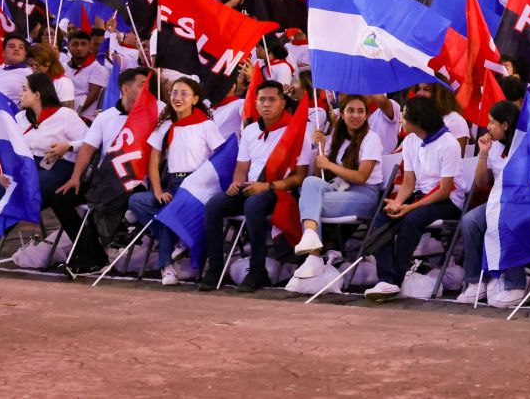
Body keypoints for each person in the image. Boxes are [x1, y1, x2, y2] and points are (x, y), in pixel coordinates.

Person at [200, 81, 309, 292]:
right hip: (250, 187)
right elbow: (242, 167)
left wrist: (267, 186)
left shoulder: (296, 132)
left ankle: (257, 271)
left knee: (253, 205)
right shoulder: (250, 130)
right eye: (262, 100)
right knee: (213, 205)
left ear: (282, 103)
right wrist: (236, 182)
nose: (266, 104)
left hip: (278, 191)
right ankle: (215, 269)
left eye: (272, 99)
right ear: (256, 104)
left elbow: (299, 177)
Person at [363, 96, 468, 302]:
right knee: (383, 217)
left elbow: (445, 190)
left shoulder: (449, 144)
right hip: (420, 195)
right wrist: (398, 203)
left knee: (411, 221)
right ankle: (385, 279)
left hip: (448, 201)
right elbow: (408, 182)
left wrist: (410, 208)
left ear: (418, 121)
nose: (401, 120)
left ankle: (396, 279)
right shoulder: (411, 141)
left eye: (404, 116)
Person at [128, 76, 227, 285]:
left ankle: (166, 266)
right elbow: (154, 161)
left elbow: (222, 155)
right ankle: (183, 237)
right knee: (137, 201)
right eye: (174, 92)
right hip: (174, 184)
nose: (177, 97)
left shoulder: (205, 125)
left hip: (197, 187)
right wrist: (157, 191)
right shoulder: (165, 126)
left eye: (184, 93)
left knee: (169, 212)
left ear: (195, 99)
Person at [454, 100, 530, 308]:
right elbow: (482, 182)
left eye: (492, 123)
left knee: (507, 219)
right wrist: (483, 153)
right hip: (500, 202)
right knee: (470, 220)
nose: (488, 127)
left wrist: (508, 204)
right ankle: (475, 281)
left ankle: (515, 284)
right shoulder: (494, 146)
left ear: (505, 125)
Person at [57, 66, 152, 274]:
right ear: (125, 89)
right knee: (62, 198)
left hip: (134, 181)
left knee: (99, 201)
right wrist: (75, 177)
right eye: (142, 85)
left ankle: (88, 259)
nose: (147, 89)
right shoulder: (106, 117)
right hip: (103, 179)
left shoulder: (155, 113)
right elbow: (87, 148)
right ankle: (91, 251)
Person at [0, 73, 88, 259]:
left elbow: (90, 141)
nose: (19, 94)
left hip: (58, 167)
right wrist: (3, 171)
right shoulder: (20, 118)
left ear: (37, 95)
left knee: (12, 200)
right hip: (25, 167)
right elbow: (11, 149)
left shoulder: (65, 115)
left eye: (24, 89)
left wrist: (68, 146)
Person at [291, 95, 384, 280]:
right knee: (310, 183)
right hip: (340, 190)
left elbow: (361, 177)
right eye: (350, 110)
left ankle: (313, 256)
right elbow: (318, 175)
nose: (355, 115)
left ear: (366, 115)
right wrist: (321, 149)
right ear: (342, 113)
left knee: (309, 203)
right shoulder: (337, 138)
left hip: (365, 196)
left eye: (361, 111)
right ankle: (312, 242)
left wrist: (330, 165)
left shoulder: (371, 138)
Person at [62, 30, 108, 121]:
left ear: (89, 47)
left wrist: (74, 115)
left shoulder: (98, 69)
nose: (79, 48)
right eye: (75, 44)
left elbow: (93, 94)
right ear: (68, 47)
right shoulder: (62, 67)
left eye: (83, 44)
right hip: (64, 114)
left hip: (86, 118)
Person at [27, 43, 74, 109]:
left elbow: (68, 111)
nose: (34, 69)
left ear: (48, 62)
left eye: (37, 65)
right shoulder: (32, 81)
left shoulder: (63, 82)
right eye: (31, 65)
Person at [0, 32, 31, 103]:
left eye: (21, 47)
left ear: (25, 54)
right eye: (12, 46)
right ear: (3, 53)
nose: (16, 49)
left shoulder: (30, 74)